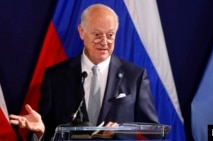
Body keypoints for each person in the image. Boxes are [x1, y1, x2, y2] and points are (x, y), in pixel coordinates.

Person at [9, 3, 159, 141]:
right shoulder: (55, 77)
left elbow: (155, 133)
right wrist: (40, 132)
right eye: (97, 35)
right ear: (82, 32)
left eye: (110, 35)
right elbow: (48, 131)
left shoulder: (135, 76)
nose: (105, 42)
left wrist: (123, 130)